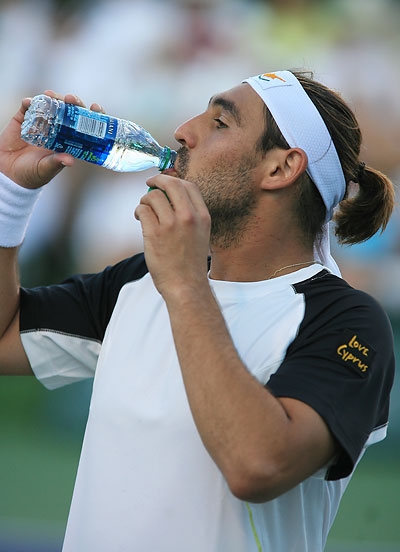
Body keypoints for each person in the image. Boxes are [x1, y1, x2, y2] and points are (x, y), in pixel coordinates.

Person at [0, 70, 395, 552]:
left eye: (220, 122)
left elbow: (258, 465)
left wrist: (186, 284)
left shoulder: (347, 321)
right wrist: (9, 194)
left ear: (281, 168)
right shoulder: (142, 279)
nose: (183, 131)